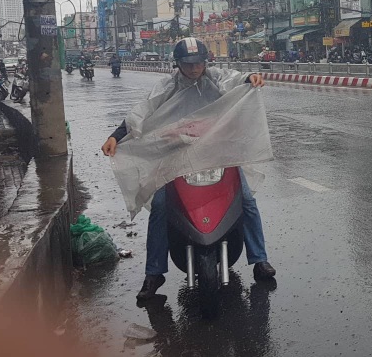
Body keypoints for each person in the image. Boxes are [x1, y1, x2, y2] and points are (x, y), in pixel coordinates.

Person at [101, 37, 276, 301]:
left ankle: (259, 260)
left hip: (218, 152)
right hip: (178, 155)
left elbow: (235, 79)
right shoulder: (167, 86)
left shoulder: (216, 77)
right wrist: (117, 135)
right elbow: (142, 111)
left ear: (206, 62)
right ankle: (154, 273)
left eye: (199, 63)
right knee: (160, 206)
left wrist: (250, 78)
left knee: (247, 199)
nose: (194, 69)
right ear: (178, 64)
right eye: (188, 64)